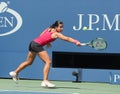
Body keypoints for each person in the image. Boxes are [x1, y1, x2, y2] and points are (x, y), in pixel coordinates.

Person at [9, 20, 83, 88]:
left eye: (62, 27)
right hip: (37, 45)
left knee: (29, 62)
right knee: (48, 61)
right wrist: (76, 42)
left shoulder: (48, 29)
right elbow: (66, 38)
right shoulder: (56, 34)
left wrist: (48, 42)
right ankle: (45, 80)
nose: (62, 29)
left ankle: (15, 72)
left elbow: (41, 35)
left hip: (32, 43)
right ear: (56, 27)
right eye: (60, 27)